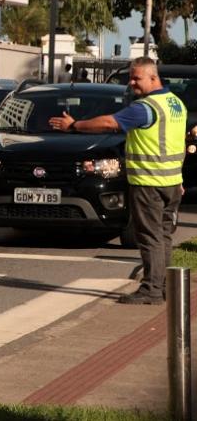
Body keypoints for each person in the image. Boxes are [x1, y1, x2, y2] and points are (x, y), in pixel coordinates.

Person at [49, 57, 187, 304]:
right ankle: (165, 285)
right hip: (171, 182)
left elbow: (110, 123)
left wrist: (74, 125)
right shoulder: (175, 104)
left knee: (150, 236)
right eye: (131, 78)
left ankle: (151, 290)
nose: (132, 83)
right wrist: (178, 178)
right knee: (164, 235)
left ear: (153, 78)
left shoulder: (146, 107)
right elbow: (177, 144)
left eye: (137, 78)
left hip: (149, 183)